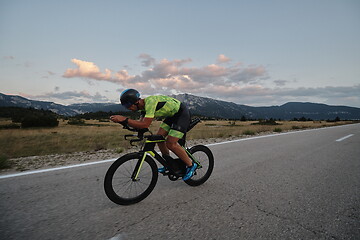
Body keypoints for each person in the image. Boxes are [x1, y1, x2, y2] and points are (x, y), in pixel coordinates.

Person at [110, 89, 197, 181]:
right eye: (125, 106)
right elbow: (141, 126)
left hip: (181, 114)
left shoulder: (150, 102)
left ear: (136, 102)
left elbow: (145, 124)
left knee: (171, 143)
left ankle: (191, 165)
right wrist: (123, 123)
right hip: (171, 116)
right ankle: (169, 163)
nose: (128, 108)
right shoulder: (143, 109)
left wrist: (124, 119)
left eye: (128, 105)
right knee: (159, 138)